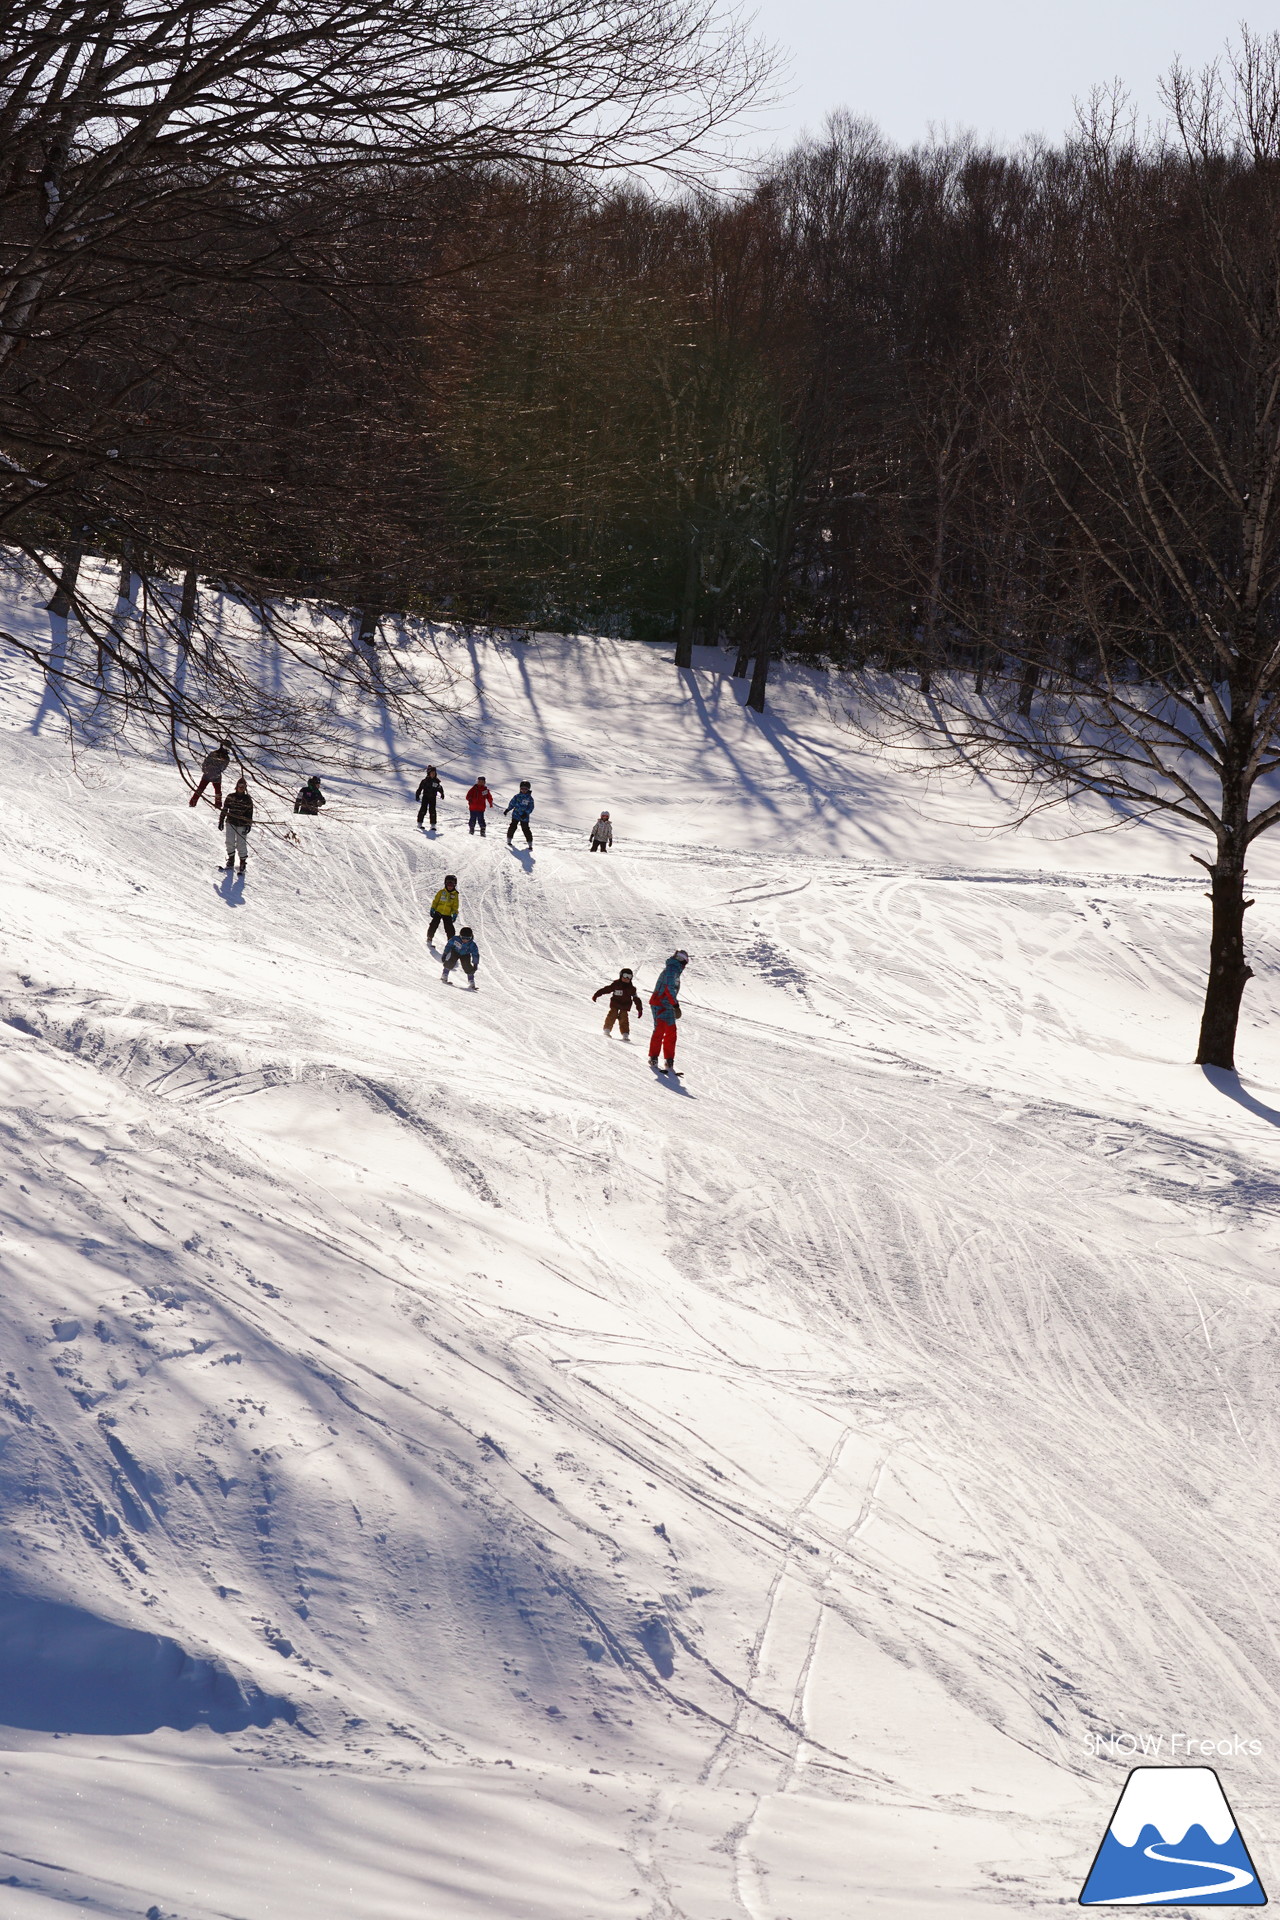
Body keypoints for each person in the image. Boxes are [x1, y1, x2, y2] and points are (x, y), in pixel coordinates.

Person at [648, 950, 688, 1073]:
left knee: (671, 1032)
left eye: (683, 959)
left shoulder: (674, 970)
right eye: (679, 958)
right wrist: (675, 1005)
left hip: (668, 1004)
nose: (681, 961)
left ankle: (669, 1060)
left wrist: (673, 1005)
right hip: (660, 1004)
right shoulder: (672, 969)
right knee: (660, 1030)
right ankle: (654, 1057)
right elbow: (669, 988)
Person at [593, 967, 642, 1037]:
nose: (626, 978)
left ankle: (625, 1034)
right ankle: (607, 1030)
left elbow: (636, 999)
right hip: (615, 1004)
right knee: (612, 1015)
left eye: (629, 976)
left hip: (625, 1006)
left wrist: (639, 1009)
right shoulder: (616, 984)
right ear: (621, 976)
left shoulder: (632, 989)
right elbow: (606, 989)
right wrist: (596, 995)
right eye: (625, 976)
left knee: (624, 1019)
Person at [218, 777, 253, 875]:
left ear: (245, 788)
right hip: (230, 822)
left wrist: (248, 824)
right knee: (229, 841)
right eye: (239, 786)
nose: (241, 788)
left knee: (241, 843)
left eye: (243, 786)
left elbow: (250, 813)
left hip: (242, 824)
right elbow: (225, 809)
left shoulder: (247, 799)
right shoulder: (230, 797)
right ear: (236, 786)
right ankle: (231, 860)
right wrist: (221, 820)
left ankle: (242, 862)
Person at [189, 741, 231, 808]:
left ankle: (218, 805)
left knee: (218, 791)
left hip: (216, 776)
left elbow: (223, 767)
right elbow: (206, 762)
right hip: (207, 775)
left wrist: (217, 771)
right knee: (200, 789)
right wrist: (205, 770)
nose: (226, 749)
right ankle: (192, 802)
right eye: (225, 746)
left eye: (227, 747)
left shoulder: (226, 758)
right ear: (221, 746)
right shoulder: (214, 754)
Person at [427, 874, 459, 944]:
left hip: (447, 914)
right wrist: (433, 908)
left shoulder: (455, 895)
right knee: (433, 924)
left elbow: (455, 906)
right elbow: (436, 901)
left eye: (452, 884)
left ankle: (451, 942)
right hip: (438, 911)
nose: (450, 886)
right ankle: (430, 937)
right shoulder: (441, 892)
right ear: (445, 883)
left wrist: (455, 913)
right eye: (448, 884)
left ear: (454, 885)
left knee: (450, 929)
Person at [504, 780, 534, 847]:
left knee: (525, 829)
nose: (523, 790)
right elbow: (512, 803)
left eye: (525, 789)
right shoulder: (517, 796)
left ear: (528, 789)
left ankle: (530, 843)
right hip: (516, 815)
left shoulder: (530, 798)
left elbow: (531, 807)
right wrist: (507, 810)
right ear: (520, 789)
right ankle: (509, 839)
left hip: (524, 817)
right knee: (512, 826)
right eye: (522, 788)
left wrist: (526, 814)